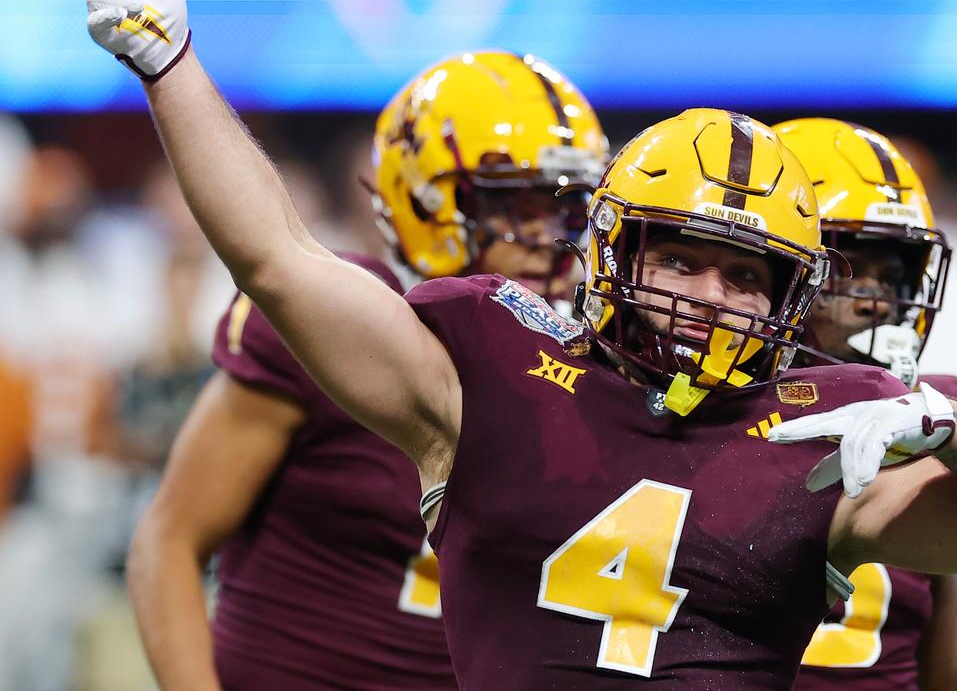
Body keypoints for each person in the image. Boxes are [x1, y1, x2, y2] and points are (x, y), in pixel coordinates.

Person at [58, 0, 957, 688]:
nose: (710, 297)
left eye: (748, 276)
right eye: (681, 260)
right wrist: (170, 66)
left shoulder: (830, 430)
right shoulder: (494, 366)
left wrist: (954, 425)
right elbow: (276, 258)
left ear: (797, 297)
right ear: (612, 252)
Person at [125, 50, 607, 690]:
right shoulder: (335, 324)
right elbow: (170, 542)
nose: (550, 239)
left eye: (570, 209)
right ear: (425, 200)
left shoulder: (583, 362)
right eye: (518, 206)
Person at [774, 118, 957, 690]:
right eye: (848, 271)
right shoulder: (713, 417)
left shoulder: (922, 421)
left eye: (891, 277)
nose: (877, 302)